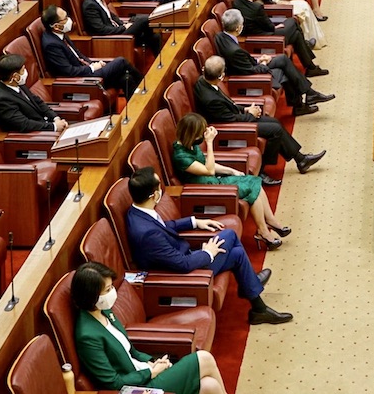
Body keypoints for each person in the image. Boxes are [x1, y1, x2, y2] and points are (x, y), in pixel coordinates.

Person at [126, 166, 292, 325]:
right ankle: (251, 286)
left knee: (237, 255)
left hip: (183, 258)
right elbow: (181, 264)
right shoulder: (147, 233)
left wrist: (195, 221)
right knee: (230, 235)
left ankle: (258, 309)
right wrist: (208, 253)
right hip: (182, 274)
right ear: (154, 195)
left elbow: (164, 227)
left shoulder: (137, 211)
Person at [72, 261, 230, 392]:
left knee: (210, 386)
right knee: (204, 358)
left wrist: (152, 362)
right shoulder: (87, 336)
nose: (113, 292)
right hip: (136, 388)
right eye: (107, 290)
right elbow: (113, 383)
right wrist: (151, 372)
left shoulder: (104, 311)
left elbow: (130, 351)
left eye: (112, 287)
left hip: (144, 372)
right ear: (91, 296)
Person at [169, 115, 291, 249]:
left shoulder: (190, 145)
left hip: (213, 181)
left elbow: (206, 164)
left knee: (254, 181)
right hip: (205, 189)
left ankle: (270, 222)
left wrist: (231, 171)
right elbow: (208, 170)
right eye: (200, 134)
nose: (203, 137)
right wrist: (209, 144)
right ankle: (263, 230)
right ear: (191, 134)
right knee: (251, 189)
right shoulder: (181, 156)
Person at [196, 57, 326, 175]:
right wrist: (250, 114)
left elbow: (228, 105)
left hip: (232, 116)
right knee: (275, 130)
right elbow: (229, 119)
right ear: (221, 77)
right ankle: (262, 171)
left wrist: (246, 109)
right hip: (228, 128)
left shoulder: (203, 81)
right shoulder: (211, 99)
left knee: (274, 123)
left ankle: (301, 159)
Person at [216, 8, 330, 115]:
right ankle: (303, 100)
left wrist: (258, 59)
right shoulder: (235, 51)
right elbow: (250, 70)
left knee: (283, 60)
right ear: (237, 28)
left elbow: (243, 61)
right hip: (245, 78)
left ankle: (306, 97)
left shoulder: (220, 36)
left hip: (247, 64)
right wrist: (263, 62)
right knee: (283, 69)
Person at [234, 0, 329, 77]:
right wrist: (275, 26)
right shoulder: (256, 8)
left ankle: (311, 67)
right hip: (264, 36)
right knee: (292, 22)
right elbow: (269, 27)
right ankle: (309, 60)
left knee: (296, 34)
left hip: (256, 31)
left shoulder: (235, 3)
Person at [41, 5, 143, 92]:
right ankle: (144, 85)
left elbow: (78, 55)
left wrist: (93, 63)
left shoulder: (61, 34)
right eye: (65, 18)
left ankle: (138, 106)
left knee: (126, 79)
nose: (69, 20)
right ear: (56, 26)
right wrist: (92, 68)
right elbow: (69, 71)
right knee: (121, 61)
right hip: (81, 80)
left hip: (87, 71)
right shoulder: (51, 45)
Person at [82, 0, 161, 54]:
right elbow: (101, 30)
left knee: (154, 36)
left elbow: (111, 17)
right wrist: (123, 28)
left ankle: (161, 62)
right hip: (112, 38)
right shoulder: (90, 6)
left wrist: (123, 24)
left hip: (118, 29)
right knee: (144, 19)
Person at [0, 54, 69, 133]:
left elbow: (39, 102)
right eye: (23, 70)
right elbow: (24, 124)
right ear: (15, 77)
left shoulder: (19, 85)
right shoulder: (2, 99)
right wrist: (54, 127)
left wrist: (56, 118)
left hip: (46, 124)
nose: (25, 72)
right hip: (36, 136)